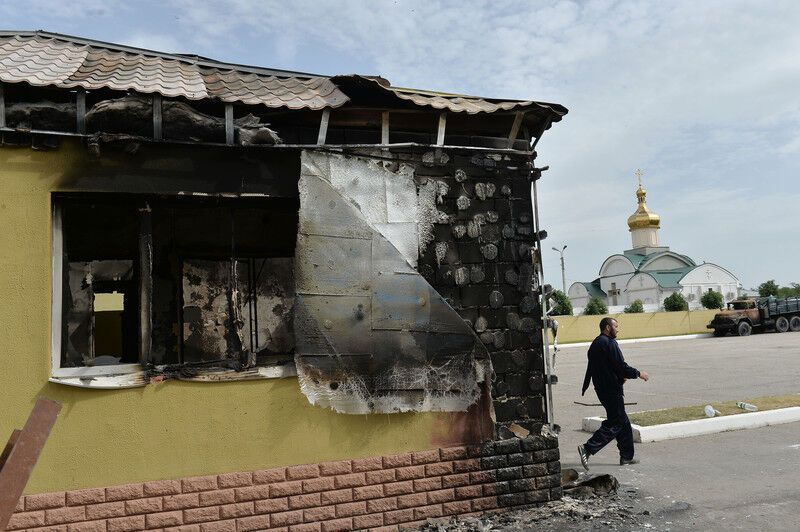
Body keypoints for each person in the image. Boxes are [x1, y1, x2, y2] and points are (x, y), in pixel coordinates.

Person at [577, 317, 649, 470]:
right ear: (608, 327)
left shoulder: (595, 343)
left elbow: (600, 367)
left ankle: (626, 456)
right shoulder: (609, 343)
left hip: (602, 389)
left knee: (623, 422)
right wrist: (638, 373)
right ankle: (588, 448)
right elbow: (620, 365)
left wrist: (618, 377)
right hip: (611, 389)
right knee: (616, 422)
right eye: (616, 326)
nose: (618, 329)